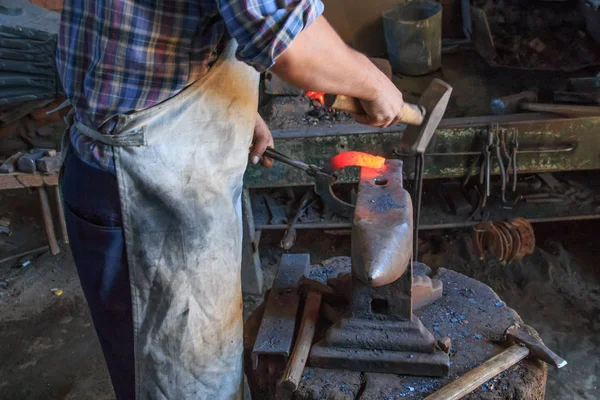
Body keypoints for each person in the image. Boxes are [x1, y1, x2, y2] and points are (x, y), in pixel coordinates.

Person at [56, 0, 405, 398]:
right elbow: (291, 43)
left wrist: (232, 107)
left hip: (131, 170)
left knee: (181, 368)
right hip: (141, 193)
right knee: (177, 382)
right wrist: (375, 84)